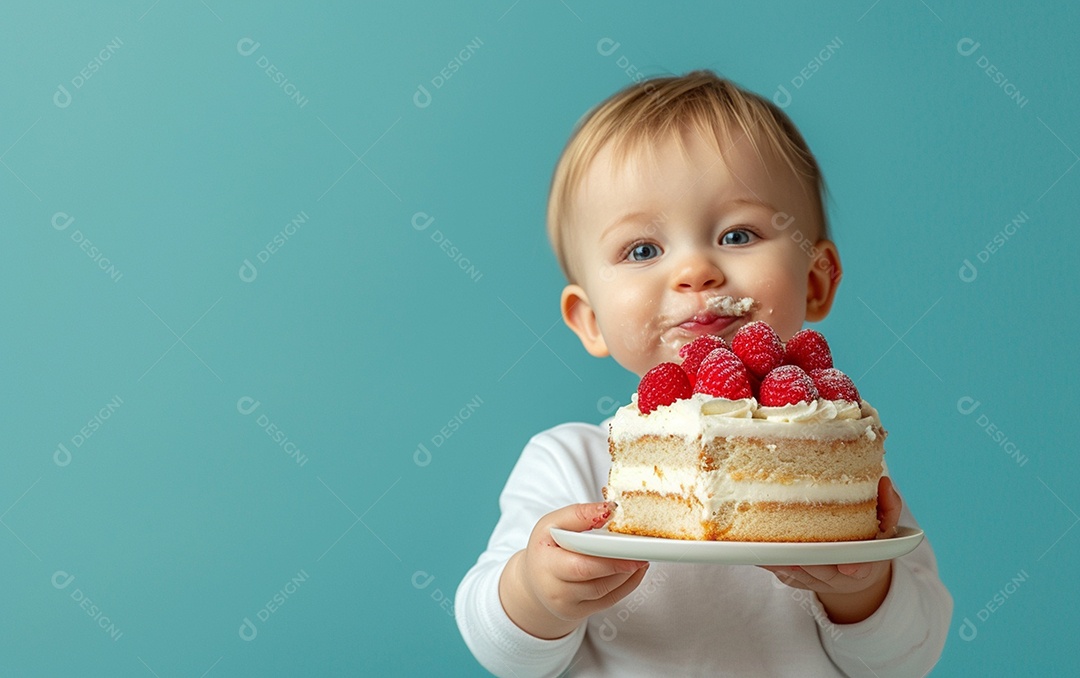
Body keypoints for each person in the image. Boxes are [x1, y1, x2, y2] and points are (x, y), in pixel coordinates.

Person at [456, 70, 951, 677]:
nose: (695, 270)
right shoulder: (569, 464)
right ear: (588, 319)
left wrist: (858, 591)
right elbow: (499, 649)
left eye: (737, 234)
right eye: (642, 250)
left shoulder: (834, 460)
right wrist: (536, 595)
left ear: (817, 279)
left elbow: (908, 659)